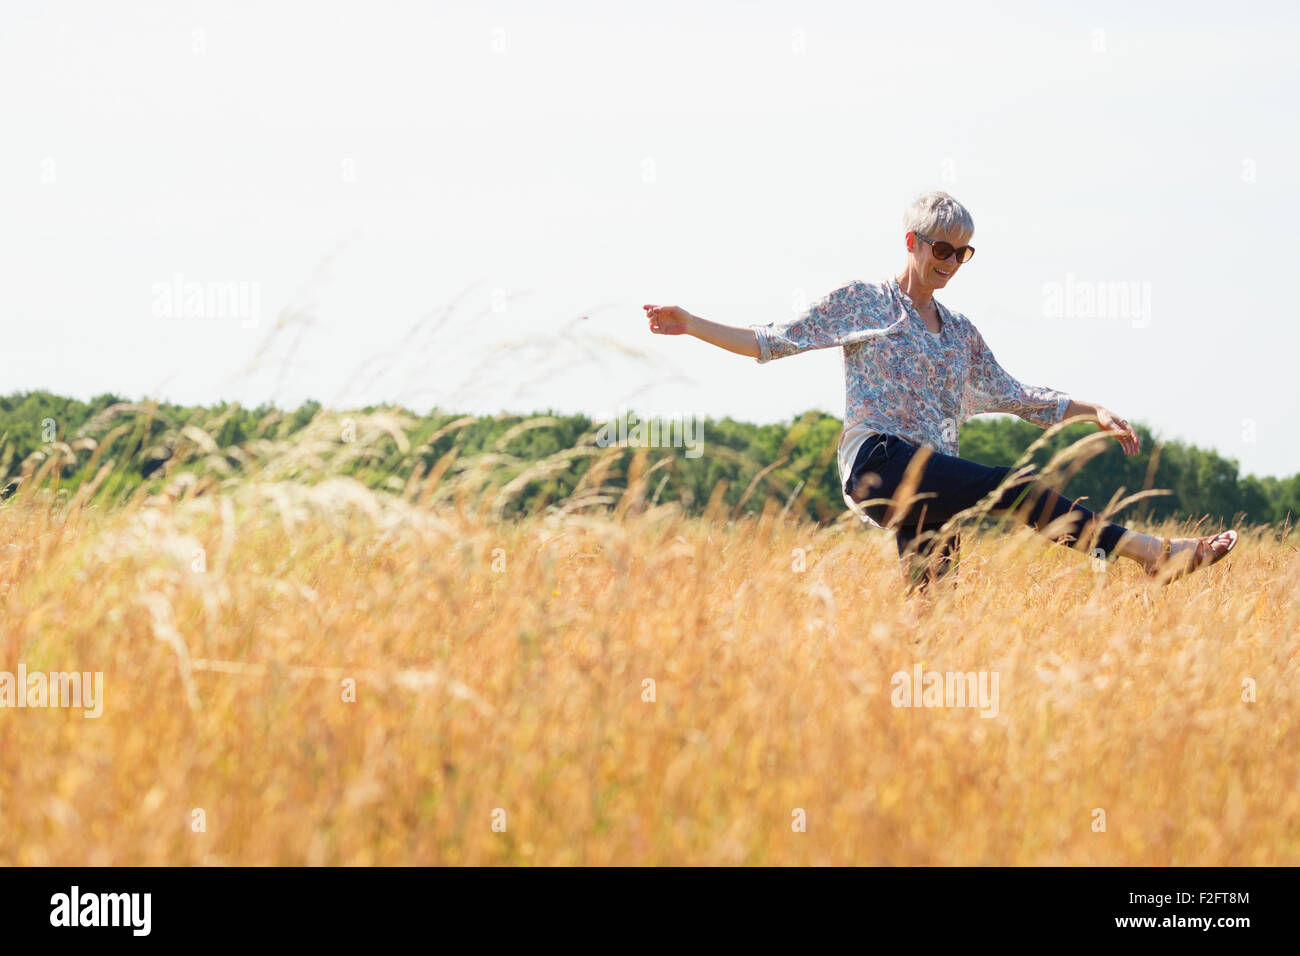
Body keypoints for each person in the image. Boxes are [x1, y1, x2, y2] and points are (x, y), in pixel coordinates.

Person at [642, 190, 1237, 593]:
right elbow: (771, 341)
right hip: (877, 461)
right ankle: (1154, 554)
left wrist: (1092, 410)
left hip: (933, 481)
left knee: (935, 615)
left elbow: (1018, 395)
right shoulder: (866, 301)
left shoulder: (959, 335)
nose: (951, 262)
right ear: (912, 243)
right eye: (941, 248)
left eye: (962, 252)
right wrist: (691, 323)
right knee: (1013, 486)